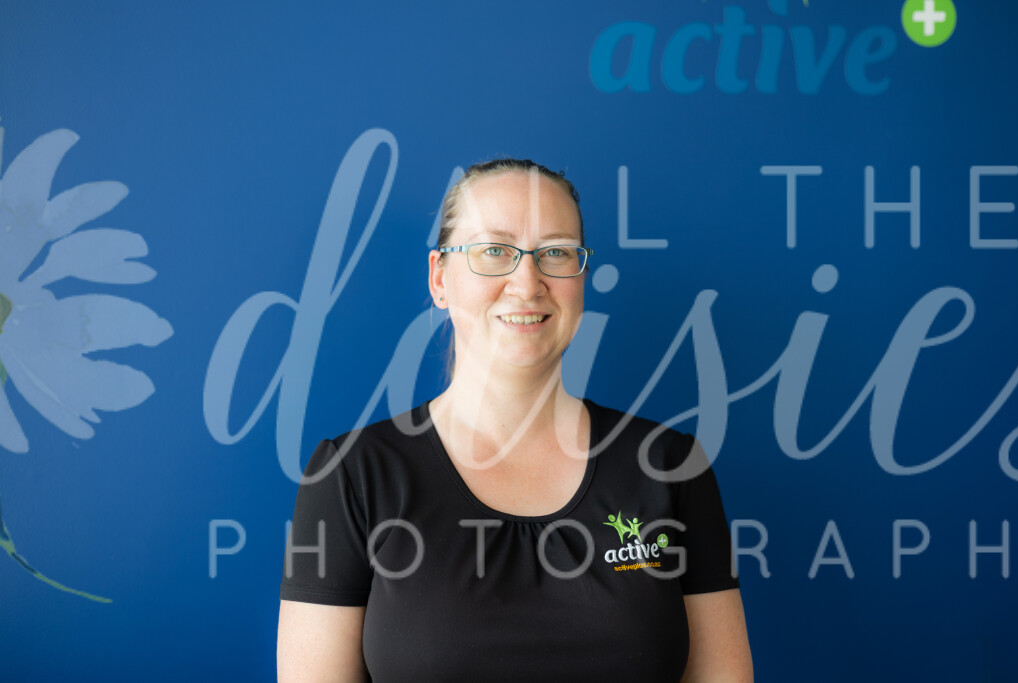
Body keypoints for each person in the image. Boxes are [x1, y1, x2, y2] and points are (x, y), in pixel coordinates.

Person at [277, 159, 754, 682]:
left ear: (581, 277)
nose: (527, 284)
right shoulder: (351, 476)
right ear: (440, 278)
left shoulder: (670, 467)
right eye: (494, 251)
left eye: (556, 252)